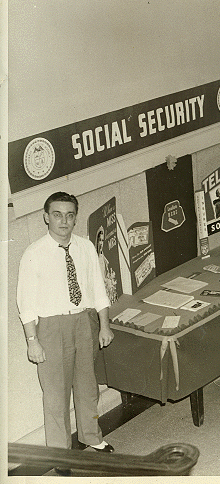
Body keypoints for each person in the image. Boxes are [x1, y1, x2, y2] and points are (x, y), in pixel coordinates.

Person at [16, 192, 116, 474]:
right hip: (50, 328)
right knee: (56, 395)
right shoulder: (34, 254)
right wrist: (32, 341)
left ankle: (91, 437)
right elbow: (26, 303)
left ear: (75, 217)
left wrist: (104, 325)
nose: (64, 220)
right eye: (58, 214)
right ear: (46, 217)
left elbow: (98, 289)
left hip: (84, 322)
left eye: (70, 215)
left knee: (88, 388)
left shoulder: (85, 248)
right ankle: (60, 455)